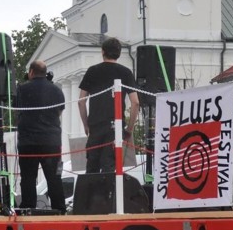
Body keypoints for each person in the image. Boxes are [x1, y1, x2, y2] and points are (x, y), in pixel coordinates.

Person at [78, 37, 140, 173]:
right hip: (115, 127)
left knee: (92, 169)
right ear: (118, 53)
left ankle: (92, 194)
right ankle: (111, 193)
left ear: (103, 52)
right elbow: (135, 102)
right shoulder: (125, 72)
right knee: (110, 167)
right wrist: (129, 129)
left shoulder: (92, 71)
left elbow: (81, 101)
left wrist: (86, 124)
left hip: (95, 126)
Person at [16, 60, 66, 212]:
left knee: (28, 179)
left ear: (31, 72)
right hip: (51, 141)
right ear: (46, 73)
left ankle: (28, 208)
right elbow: (59, 112)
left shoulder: (21, 90)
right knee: (54, 177)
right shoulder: (57, 90)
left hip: (28, 142)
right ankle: (59, 209)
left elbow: (17, 110)